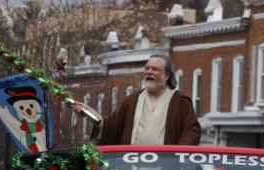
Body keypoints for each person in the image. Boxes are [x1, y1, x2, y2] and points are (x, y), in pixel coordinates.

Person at [73, 54, 201, 145]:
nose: (148, 72)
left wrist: (177, 157)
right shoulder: (132, 101)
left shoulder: (181, 102)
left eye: (155, 69)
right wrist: (92, 115)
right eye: (147, 68)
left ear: (167, 75)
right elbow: (112, 126)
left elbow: (191, 133)